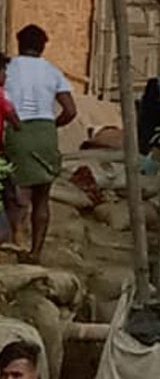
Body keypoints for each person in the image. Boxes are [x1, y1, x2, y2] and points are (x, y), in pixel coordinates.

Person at [5, 25, 76, 262]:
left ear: (18, 43)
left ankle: (16, 242)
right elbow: (70, 111)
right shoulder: (53, 72)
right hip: (45, 131)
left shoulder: (8, 68)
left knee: (14, 191)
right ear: (43, 46)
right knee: (42, 197)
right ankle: (35, 252)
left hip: (17, 129)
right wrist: (52, 125)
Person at [0, 56, 21, 245]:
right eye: (3, 71)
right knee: (8, 194)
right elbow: (14, 120)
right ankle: (9, 235)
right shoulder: (2, 95)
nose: (5, 76)